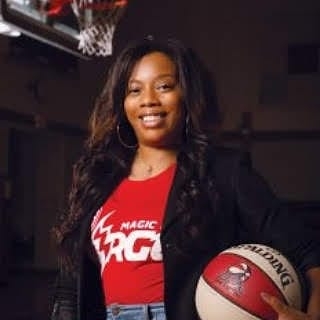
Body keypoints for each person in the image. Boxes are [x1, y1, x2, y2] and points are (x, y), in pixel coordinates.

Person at [50, 37, 320, 320]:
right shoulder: (98, 177)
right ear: (121, 102)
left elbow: (309, 250)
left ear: (187, 96)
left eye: (164, 86)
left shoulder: (223, 172)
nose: (149, 100)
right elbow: (71, 282)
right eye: (134, 90)